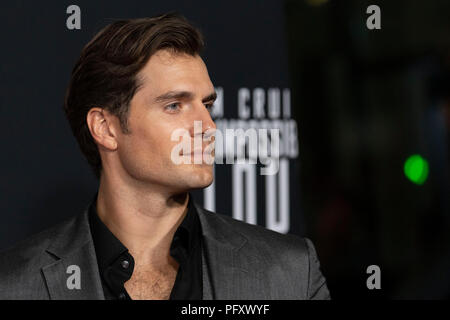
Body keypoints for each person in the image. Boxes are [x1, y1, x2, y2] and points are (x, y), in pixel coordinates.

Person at [0, 12, 330, 300]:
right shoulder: (14, 285)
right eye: (174, 106)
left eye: (207, 105)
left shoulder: (290, 272)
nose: (208, 126)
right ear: (105, 128)